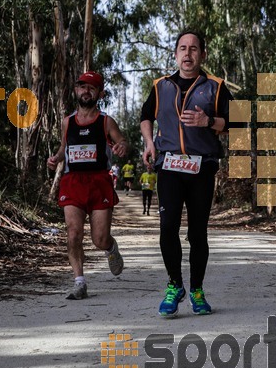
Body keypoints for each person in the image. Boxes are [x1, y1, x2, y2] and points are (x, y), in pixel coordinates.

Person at [140, 29, 232, 317]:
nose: (188, 54)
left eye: (194, 49)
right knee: (167, 227)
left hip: (201, 167)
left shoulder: (216, 87)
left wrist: (208, 121)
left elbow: (237, 123)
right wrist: (149, 143)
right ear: (175, 53)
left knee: (197, 233)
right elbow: (145, 116)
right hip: (168, 167)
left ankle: (197, 290)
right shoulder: (160, 86)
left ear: (202, 54)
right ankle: (174, 285)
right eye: (182, 48)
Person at [47, 71, 128, 300]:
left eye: (92, 88)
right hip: (73, 182)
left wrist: (121, 146)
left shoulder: (105, 121)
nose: (86, 91)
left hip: (99, 181)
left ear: (100, 93)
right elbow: (64, 148)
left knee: (99, 239)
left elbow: (121, 141)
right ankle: (79, 282)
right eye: (82, 87)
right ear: (76, 91)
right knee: (73, 234)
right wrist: (55, 159)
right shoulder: (67, 122)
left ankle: (111, 248)